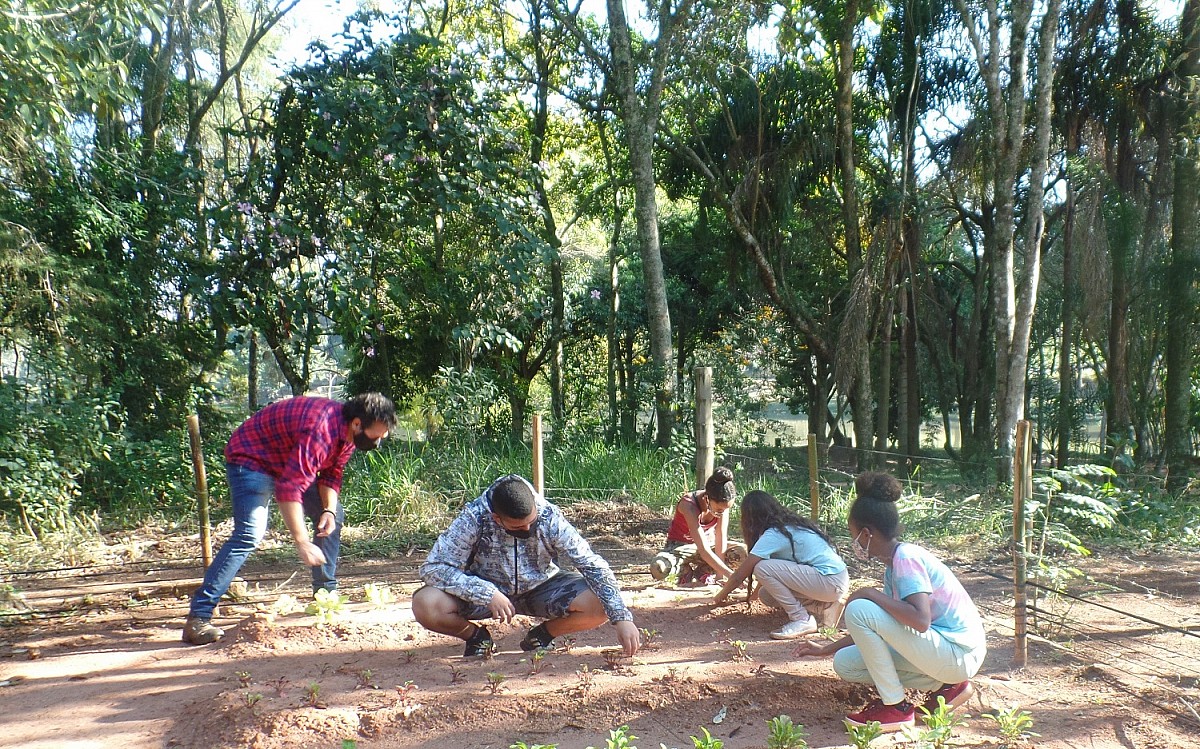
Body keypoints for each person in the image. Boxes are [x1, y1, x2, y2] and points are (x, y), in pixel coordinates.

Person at [182, 392, 396, 645]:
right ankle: (199, 617)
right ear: (358, 423)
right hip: (252, 458)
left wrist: (327, 511)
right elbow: (289, 488)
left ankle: (325, 598)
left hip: (289, 462)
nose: (378, 441)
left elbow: (331, 473)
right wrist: (302, 541)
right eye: (377, 435)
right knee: (249, 534)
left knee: (333, 515)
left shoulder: (348, 434)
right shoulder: (321, 431)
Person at [791, 472, 987, 732]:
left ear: (867, 533)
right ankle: (949, 687)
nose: (854, 543)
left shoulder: (907, 558)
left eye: (854, 534)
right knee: (846, 662)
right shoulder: (894, 566)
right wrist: (826, 649)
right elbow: (882, 627)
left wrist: (871, 594)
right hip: (946, 653)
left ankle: (896, 708)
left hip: (958, 654)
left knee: (860, 607)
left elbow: (920, 620)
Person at [413, 474, 641, 658]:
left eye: (532, 522)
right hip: (485, 595)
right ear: (496, 518)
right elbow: (433, 567)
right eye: (519, 527)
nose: (528, 529)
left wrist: (621, 617)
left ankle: (541, 636)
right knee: (426, 603)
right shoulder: (474, 518)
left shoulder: (549, 517)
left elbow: (591, 564)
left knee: (600, 604)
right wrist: (485, 592)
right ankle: (476, 637)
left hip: (542, 587)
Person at [712, 490, 849, 639]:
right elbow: (774, 575)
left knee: (762, 568)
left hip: (828, 580)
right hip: (836, 580)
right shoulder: (790, 526)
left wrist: (720, 596)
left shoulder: (774, 534)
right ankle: (825, 607)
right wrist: (753, 596)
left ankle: (801, 619)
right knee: (767, 595)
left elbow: (742, 574)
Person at [649, 467, 745, 586]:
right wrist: (731, 576)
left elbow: (721, 538)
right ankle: (684, 572)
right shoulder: (688, 505)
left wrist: (720, 576)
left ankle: (704, 572)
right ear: (707, 499)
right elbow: (703, 549)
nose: (722, 512)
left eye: (726, 509)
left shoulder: (723, 505)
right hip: (680, 548)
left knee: (742, 552)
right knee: (658, 567)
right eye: (719, 509)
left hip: (709, 546)